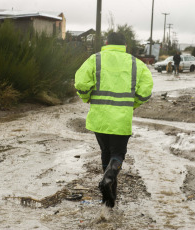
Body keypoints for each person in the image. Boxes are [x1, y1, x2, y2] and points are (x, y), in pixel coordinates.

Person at [74, 32, 153, 208]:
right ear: (125, 45)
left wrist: (86, 97)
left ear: (107, 43)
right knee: (117, 155)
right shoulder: (135, 63)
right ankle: (109, 181)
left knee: (105, 153)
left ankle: (109, 199)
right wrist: (134, 103)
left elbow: (81, 83)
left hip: (99, 119)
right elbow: (146, 89)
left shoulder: (95, 59)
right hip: (121, 120)